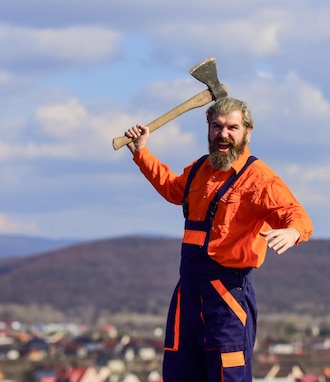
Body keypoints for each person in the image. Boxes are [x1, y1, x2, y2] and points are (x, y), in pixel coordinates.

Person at [124, 96, 313, 382]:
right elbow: (173, 189)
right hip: (187, 292)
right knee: (179, 371)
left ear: (247, 132)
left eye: (232, 128)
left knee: (228, 373)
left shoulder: (259, 179)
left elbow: (296, 215)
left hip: (228, 296)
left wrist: (293, 231)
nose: (223, 134)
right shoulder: (199, 169)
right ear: (208, 129)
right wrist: (141, 153)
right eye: (217, 127)